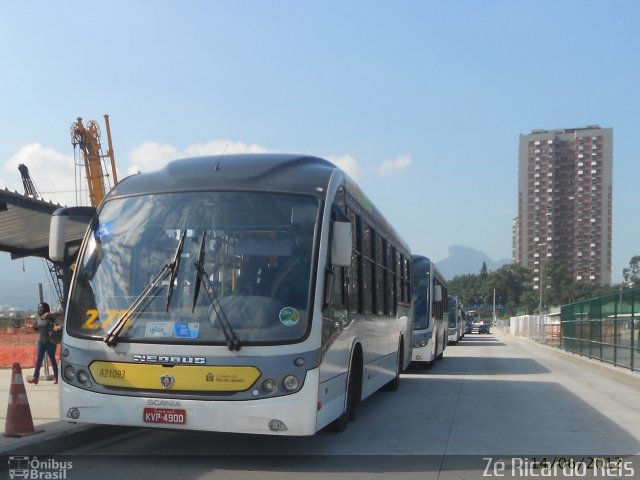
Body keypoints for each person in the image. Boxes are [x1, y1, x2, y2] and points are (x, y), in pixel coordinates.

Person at [27, 302, 61, 385]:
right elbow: (38, 329)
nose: (40, 309)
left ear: (46, 308)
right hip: (41, 341)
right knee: (39, 360)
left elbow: (60, 315)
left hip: (50, 341)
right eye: (39, 307)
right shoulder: (38, 318)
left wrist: (49, 314)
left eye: (41, 307)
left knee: (52, 360)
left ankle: (57, 378)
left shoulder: (50, 317)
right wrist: (33, 327)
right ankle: (35, 378)